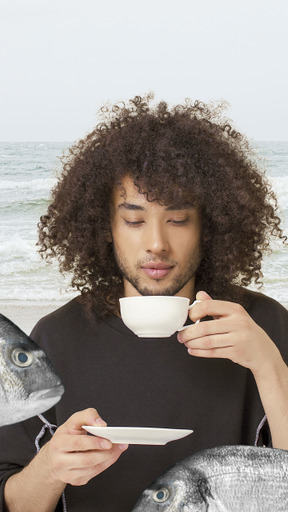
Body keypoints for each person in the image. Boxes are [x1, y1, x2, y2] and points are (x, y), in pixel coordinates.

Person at [0, 94, 288, 512]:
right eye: (134, 220)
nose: (156, 243)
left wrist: (269, 365)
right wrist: (50, 469)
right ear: (106, 227)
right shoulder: (54, 338)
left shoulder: (263, 326)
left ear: (210, 226)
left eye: (178, 219)